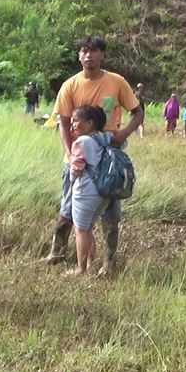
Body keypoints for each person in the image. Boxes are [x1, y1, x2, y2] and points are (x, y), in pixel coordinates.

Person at [42, 36, 143, 277]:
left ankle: (109, 263)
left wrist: (123, 134)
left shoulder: (116, 82)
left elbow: (137, 112)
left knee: (110, 209)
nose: (89, 55)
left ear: (102, 55)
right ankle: (58, 252)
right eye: (84, 51)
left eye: (94, 51)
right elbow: (64, 124)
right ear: (79, 56)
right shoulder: (70, 85)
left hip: (109, 156)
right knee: (69, 207)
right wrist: (69, 154)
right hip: (78, 156)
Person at [67, 105, 114, 275]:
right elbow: (123, 142)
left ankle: (81, 270)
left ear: (89, 123)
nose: (72, 124)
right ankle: (90, 266)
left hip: (86, 190)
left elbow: (77, 167)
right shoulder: (106, 137)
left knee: (80, 229)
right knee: (88, 228)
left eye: (76, 121)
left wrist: (71, 184)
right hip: (104, 191)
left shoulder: (81, 142)